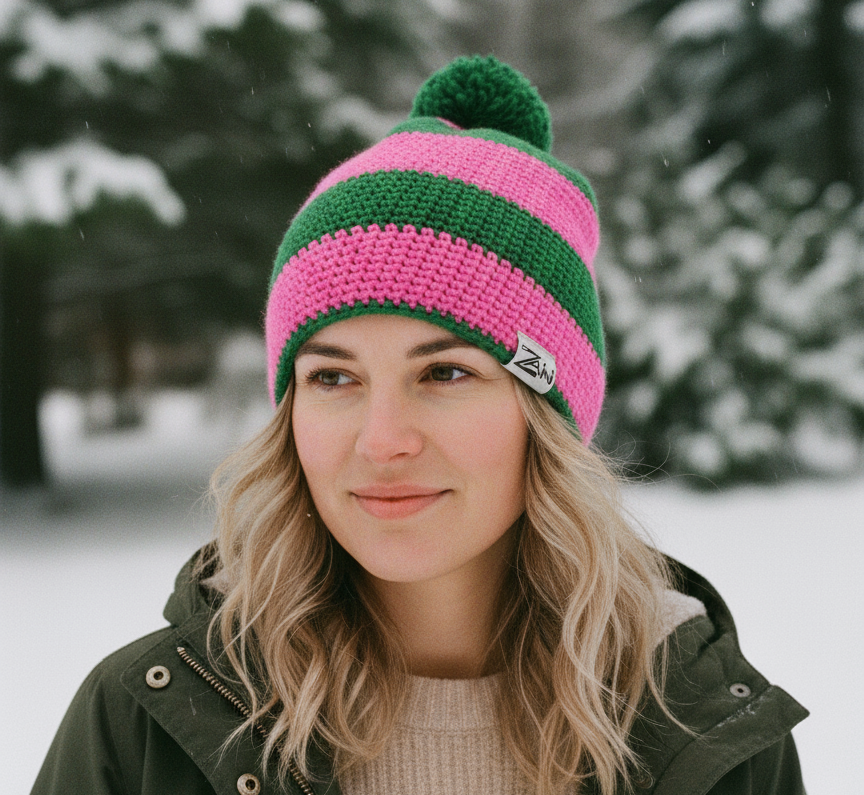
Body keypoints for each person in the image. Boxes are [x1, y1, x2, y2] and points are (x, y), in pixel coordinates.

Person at [32, 56, 808, 795]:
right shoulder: (141, 727)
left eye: (445, 373)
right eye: (333, 377)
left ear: (546, 410)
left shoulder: (707, 732)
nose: (381, 440)